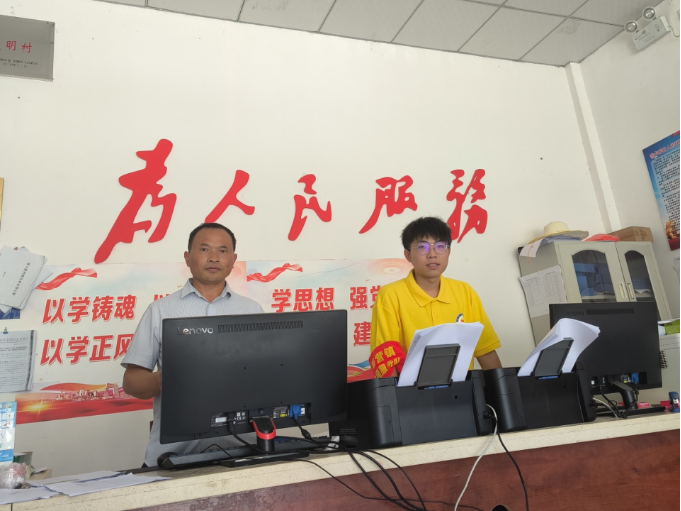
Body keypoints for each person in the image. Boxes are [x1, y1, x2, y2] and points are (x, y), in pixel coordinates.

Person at [122, 223, 263, 467]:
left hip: (242, 450)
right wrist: (166, 379)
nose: (214, 258)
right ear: (187, 258)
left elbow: (267, 376)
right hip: (171, 456)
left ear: (233, 260)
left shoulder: (251, 310)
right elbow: (131, 383)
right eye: (204, 249)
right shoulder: (160, 310)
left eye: (222, 251)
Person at [370, 216, 502, 376]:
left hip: (462, 388)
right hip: (411, 389)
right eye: (422, 247)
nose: (432, 254)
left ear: (448, 251)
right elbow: (387, 362)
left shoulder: (465, 291)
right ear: (408, 255)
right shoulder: (390, 295)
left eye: (440, 246)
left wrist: (502, 390)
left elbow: (485, 350)